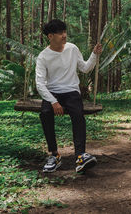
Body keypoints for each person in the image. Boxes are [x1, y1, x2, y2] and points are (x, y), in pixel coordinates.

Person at [35, 19, 103, 173]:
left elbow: (85, 68)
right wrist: (53, 102)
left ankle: (80, 156)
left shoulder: (72, 49)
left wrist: (94, 54)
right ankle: (54, 155)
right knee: (45, 113)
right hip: (52, 92)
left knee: (78, 114)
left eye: (64, 32)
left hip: (71, 91)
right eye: (60, 33)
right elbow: (40, 84)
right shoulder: (43, 56)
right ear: (50, 36)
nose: (64, 35)